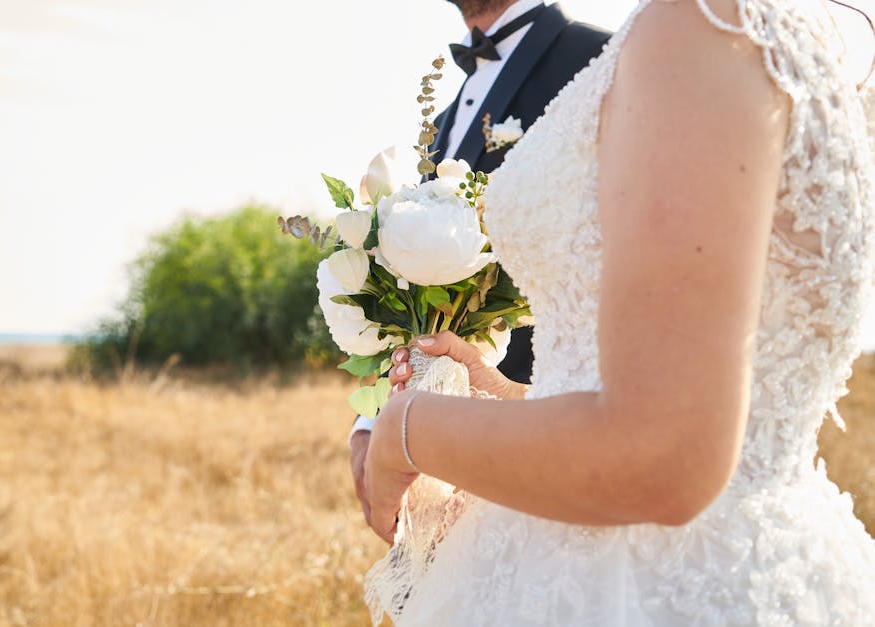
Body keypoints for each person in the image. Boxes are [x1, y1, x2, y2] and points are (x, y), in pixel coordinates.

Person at [362, 0, 875, 624]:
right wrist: (519, 399)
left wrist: (403, 431)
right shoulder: (780, 31)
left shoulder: (703, 27)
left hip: (651, 586)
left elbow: (663, 454)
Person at [349, 0, 610, 531]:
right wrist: (370, 422)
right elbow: (417, 290)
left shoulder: (605, 62)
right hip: (448, 480)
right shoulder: (446, 120)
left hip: (563, 462)